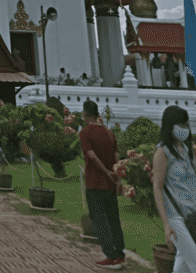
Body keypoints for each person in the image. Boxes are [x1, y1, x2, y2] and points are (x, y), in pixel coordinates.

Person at [153, 105, 196, 273]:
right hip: (175, 217)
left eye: (186, 124)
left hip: (194, 215)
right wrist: (166, 223)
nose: (185, 129)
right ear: (170, 126)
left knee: (183, 260)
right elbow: (157, 186)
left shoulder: (188, 148)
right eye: (181, 125)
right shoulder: (162, 151)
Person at [79, 99, 125, 269]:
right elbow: (117, 157)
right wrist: (117, 178)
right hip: (110, 183)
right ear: (97, 114)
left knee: (99, 219)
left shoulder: (84, 133)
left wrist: (106, 171)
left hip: (94, 182)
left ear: (85, 114)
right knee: (113, 219)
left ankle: (111, 256)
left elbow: (90, 155)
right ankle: (120, 254)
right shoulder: (109, 132)